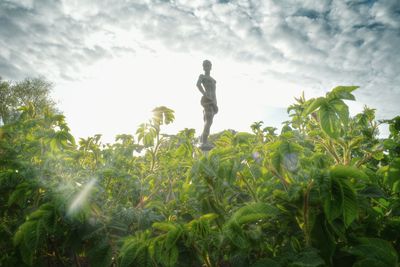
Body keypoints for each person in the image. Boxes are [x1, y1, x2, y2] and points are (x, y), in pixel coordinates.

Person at [196, 60, 218, 148]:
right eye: (205, 65)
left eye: (208, 65)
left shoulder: (213, 80)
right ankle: (204, 141)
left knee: (209, 121)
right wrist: (204, 93)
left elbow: (215, 92)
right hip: (207, 100)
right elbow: (198, 85)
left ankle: (202, 139)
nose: (207, 67)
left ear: (211, 67)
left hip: (213, 101)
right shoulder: (202, 76)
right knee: (208, 121)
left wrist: (215, 103)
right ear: (203, 67)